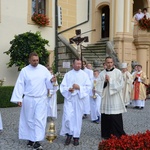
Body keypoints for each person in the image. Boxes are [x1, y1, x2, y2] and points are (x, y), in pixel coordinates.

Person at [10, 52, 56, 150]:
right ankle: (31, 139)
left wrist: (52, 81)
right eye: (33, 60)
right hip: (28, 99)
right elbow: (20, 84)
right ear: (29, 60)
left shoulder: (43, 69)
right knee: (29, 119)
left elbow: (49, 82)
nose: (35, 62)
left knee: (39, 120)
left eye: (37, 60)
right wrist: (18, 98)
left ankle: (37, 141)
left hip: (41, 99)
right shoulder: (24, 70)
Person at [60, 58, 91, 146]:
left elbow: (88, 87)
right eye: (77, 64)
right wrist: (68, 89)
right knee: (68, 116)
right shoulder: (68, 74)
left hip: (78, 99)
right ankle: (69, 134)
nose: (78, 65)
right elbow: (62, 86)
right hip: (69, 99)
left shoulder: (84, 75)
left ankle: (76, 137)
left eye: (80, 64)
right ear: (73, 64)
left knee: (77, 118)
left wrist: (79, 87)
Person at [95, 56, 126, 139]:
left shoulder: (118, 72)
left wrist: (110, 80)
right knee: (106, 115)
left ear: (113, 63)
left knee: (115, 116)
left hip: (115, 97)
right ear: (105, 63)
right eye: (107, 62)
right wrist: (104, 82)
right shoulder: (102, 73)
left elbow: (121, 84)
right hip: (106, 97)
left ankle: (117, 133)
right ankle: (106, 134)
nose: (109, 64)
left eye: (111, 62)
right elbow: (97, 86)